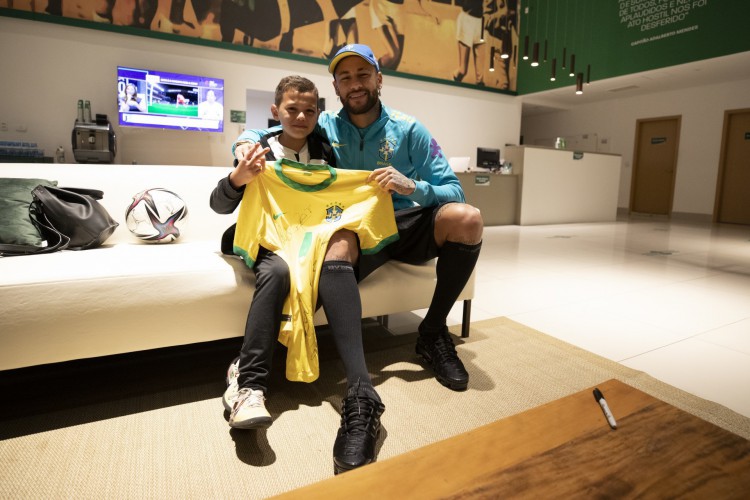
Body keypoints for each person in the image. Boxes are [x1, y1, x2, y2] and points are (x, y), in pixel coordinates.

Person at [233, 44, 483, 473]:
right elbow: (272, 131)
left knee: (468, 219)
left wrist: (412, 186)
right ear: (336, 86)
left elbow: (454, 192)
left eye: (362, 74)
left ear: (378, 79)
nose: (355, 83)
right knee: (336, 243)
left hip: (409, 225)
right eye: (345, 77)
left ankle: (433, 332)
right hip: (358, 230)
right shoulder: (323, 124)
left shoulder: (410, 129)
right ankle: (362, 394)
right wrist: (243, 144)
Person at [210, 75, 338, 430]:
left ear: (317, 113)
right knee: (281, 272)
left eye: (309, 110)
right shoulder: (256, 148)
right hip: (263, 237)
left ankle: (241, 366)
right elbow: (218, 204)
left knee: (318, 272)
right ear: (275, 110)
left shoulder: (326, 151)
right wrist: (239, 177)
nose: (300, 117)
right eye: (292, 109)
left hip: (304, 240)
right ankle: (250, 388)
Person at [452, 0, 487, 85]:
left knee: (480, 78)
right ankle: (453, 87)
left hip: (481, 21)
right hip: (467, 20)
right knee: (463, 70)